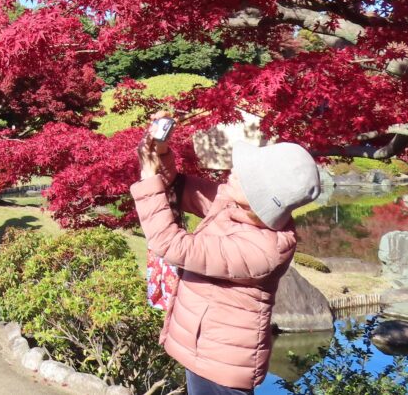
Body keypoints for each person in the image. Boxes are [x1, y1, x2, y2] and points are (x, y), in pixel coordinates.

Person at [131, 113, 320, 394]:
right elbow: (178, 188)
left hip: (225, 365)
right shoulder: (236, 205)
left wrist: (148, 177)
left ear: (260, 195)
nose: (232, 171)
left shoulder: (263, 250)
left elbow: (171, 244)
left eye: (244, 174)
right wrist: (161, 154)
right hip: (204, 346)